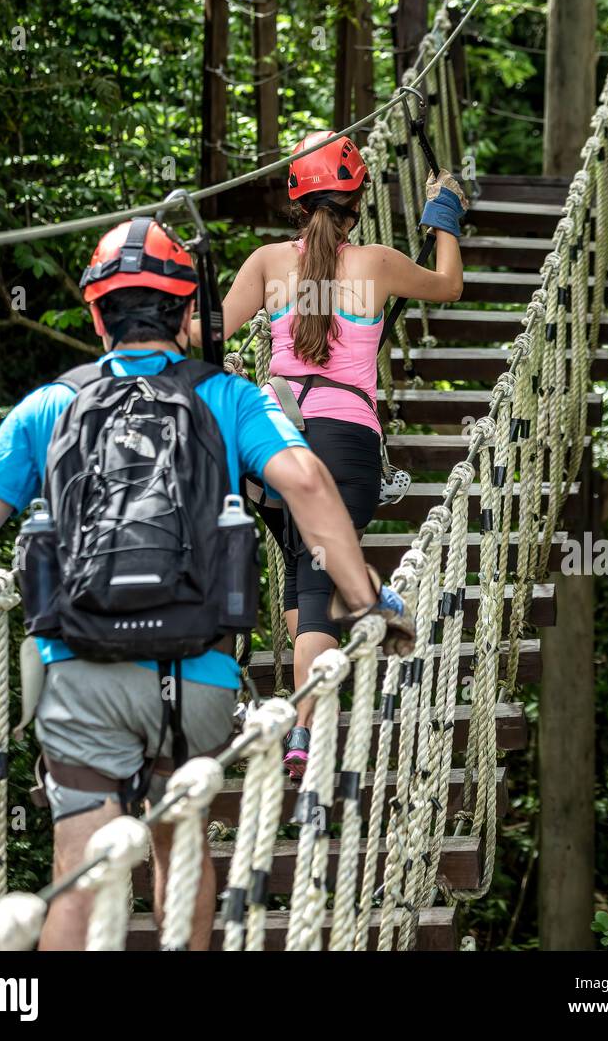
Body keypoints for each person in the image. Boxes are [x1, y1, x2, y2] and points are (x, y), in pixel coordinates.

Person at [0, 216, 409, 951]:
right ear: (190, 312)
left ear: (98, 314)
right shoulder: (230, 398)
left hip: (80, 668)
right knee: (181, 854)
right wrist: (363, 598)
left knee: (83, 869)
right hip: (198, 673)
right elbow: (311, 484)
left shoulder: (50, 404)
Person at [203, 132, 468, 780]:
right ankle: (305, 733)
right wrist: (444, 216)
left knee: (302, 567)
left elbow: (201, 334)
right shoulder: (377, 263)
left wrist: (196, 274)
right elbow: (449, 287)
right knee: (318, 581)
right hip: (344, 445)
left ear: (297, 202)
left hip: (270, 441)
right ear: (357, 205)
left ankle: (276, 700)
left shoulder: (267, 262)